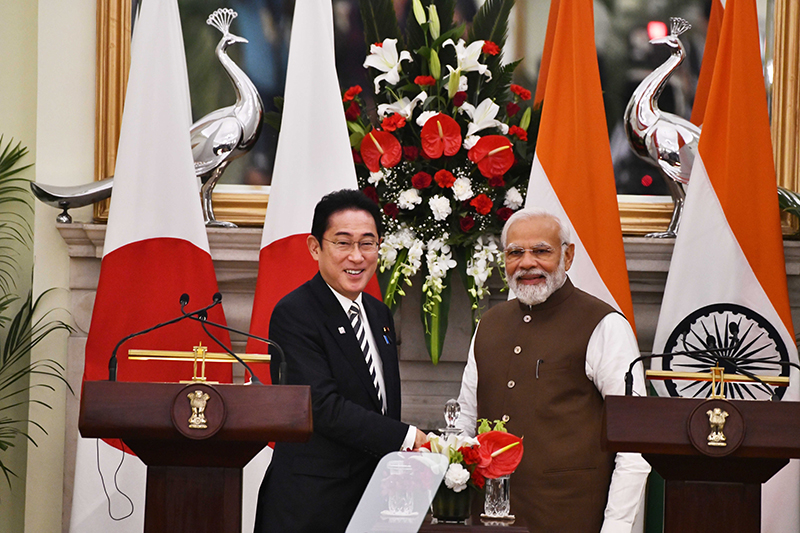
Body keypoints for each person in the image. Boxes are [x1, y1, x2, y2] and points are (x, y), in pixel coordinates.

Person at [456, 208, 650, 532]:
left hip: (571, 519)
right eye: (515, 252)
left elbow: (634, 444)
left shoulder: (604, 325)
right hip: (489, 521)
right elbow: (464, 421)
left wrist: (616, 526)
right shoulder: (489, 325)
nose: (527, 262)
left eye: (541, 251)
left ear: (568, 256)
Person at [254, 189, 426, 532]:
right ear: (315, 247)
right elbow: (320, 406)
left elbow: (380, 402)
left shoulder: (378, 313)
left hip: (372, 501)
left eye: (368, 243)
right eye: (343, 243)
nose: (357, 256)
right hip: (311, 505)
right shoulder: (295, 314)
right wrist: (408, 438)